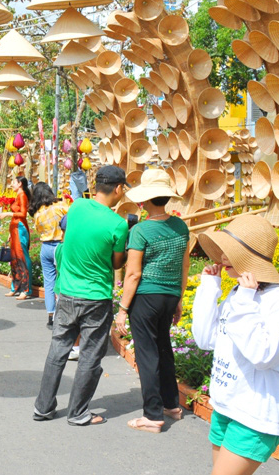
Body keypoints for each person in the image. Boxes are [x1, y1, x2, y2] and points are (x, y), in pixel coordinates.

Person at [192, 215, 279, 475]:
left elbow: (262, 356)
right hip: (227, 403)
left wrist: (245, 300)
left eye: (231, 251)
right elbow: (205, 339)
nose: (222, 257)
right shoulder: (239, 294)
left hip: (257, 412)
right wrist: (209, 287)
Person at [33, 165, 128, 426]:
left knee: (58, 349)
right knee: (89, 354)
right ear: (118, 189)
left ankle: (43, 407)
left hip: (66, 292)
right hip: (95, 298)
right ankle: (77, 412)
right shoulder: (118, 224)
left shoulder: (75, 208)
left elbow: (66, 235)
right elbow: (117, 263)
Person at [114, 168, 191, 433]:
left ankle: (152, 415)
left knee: (147, 355)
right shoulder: (180, 226)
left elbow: (133, 273)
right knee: (163, 349)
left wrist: (122, 310)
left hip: (147, 298)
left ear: (144, 200)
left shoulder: (141, 230)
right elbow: (184, 266)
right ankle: (172, 405)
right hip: (170, 295)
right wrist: (178, 299)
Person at [30, 182, 69, 327]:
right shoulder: (61, 206)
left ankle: (51, 315)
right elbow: (71, 219)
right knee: (64, 278)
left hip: (45, 247)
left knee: (49, 281)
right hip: (61, 245)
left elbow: (38, 230)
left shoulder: (38, 213)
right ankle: (63, 312)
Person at [7, 176, 32, 299]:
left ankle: (26, 289)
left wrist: (8, 213)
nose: (12, 184)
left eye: (13, 182)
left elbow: (23, 214)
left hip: (20, 229)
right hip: (15, 230)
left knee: (22, 257)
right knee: (15, 259)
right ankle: (15, 287)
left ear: (20, 184)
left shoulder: (22, 196)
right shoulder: (18, 196)